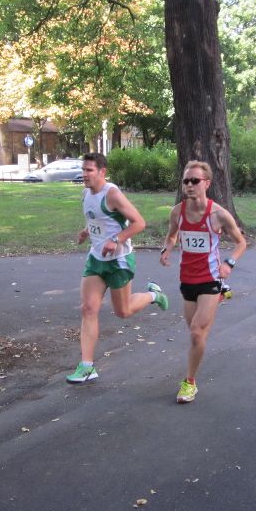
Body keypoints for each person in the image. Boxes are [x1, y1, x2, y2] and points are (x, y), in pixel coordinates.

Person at [66, 152, 169, 384]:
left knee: (123, 311)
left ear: (102, 172)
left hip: (119, 260)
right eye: (83, 170)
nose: (84, 174)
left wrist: (116, 239)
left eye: (89, 170)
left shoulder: (112, 194)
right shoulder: (85, 194)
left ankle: (154, 295)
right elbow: (98, 219)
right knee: (88, 308)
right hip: (96, 259)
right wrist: (86, 231)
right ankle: (87, 366)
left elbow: (139, 223)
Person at [159, 161, 246, 403]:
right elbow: (172, 235)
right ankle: (220, 296)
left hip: (210, 278)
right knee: (195, 333)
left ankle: (189, 383)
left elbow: (241, 243)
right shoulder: (177, 212)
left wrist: (229, 263)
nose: (189, 185)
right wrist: (167, 249)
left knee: (197, 333)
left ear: (206, 183)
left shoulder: (218, 215)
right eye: (186, 181)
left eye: (195, 181)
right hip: (187, 280)